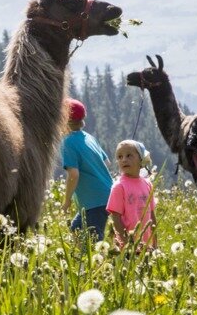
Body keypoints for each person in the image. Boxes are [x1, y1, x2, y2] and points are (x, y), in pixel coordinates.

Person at [61, 98, 114, 239]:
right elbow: (107, 163)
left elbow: (73, 175)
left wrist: (67, 201)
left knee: (93, 240)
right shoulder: (89, 137)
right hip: (104, 195)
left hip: (94, 201)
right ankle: (81, 260)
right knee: (76, 230)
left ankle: (99, 261)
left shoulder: (68, 142)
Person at [106, 139, 158, 250]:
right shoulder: (119, 187)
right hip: (127, 247)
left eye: (129, 155)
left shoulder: (148, 184)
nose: (124, 160)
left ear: (141, 160)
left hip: (146, 245)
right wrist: (127, 244)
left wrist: (155, 243)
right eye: (120, 157)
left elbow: (152, 216)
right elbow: (116, 219)